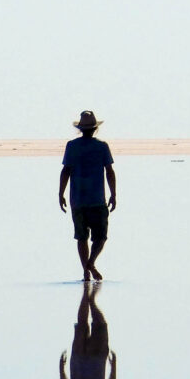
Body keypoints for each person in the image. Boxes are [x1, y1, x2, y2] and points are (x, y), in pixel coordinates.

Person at [58, 110, 117, 281]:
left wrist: (60, 193)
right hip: (97, 200)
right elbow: (110, 172)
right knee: (100, 237)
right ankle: (90, 264)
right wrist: (113, 194)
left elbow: (65, 171)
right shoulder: (101, 146)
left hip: (78, 200)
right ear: (95, 129)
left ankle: (86, 270)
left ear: (80, 129)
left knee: (82, 237)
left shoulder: (72, 146)